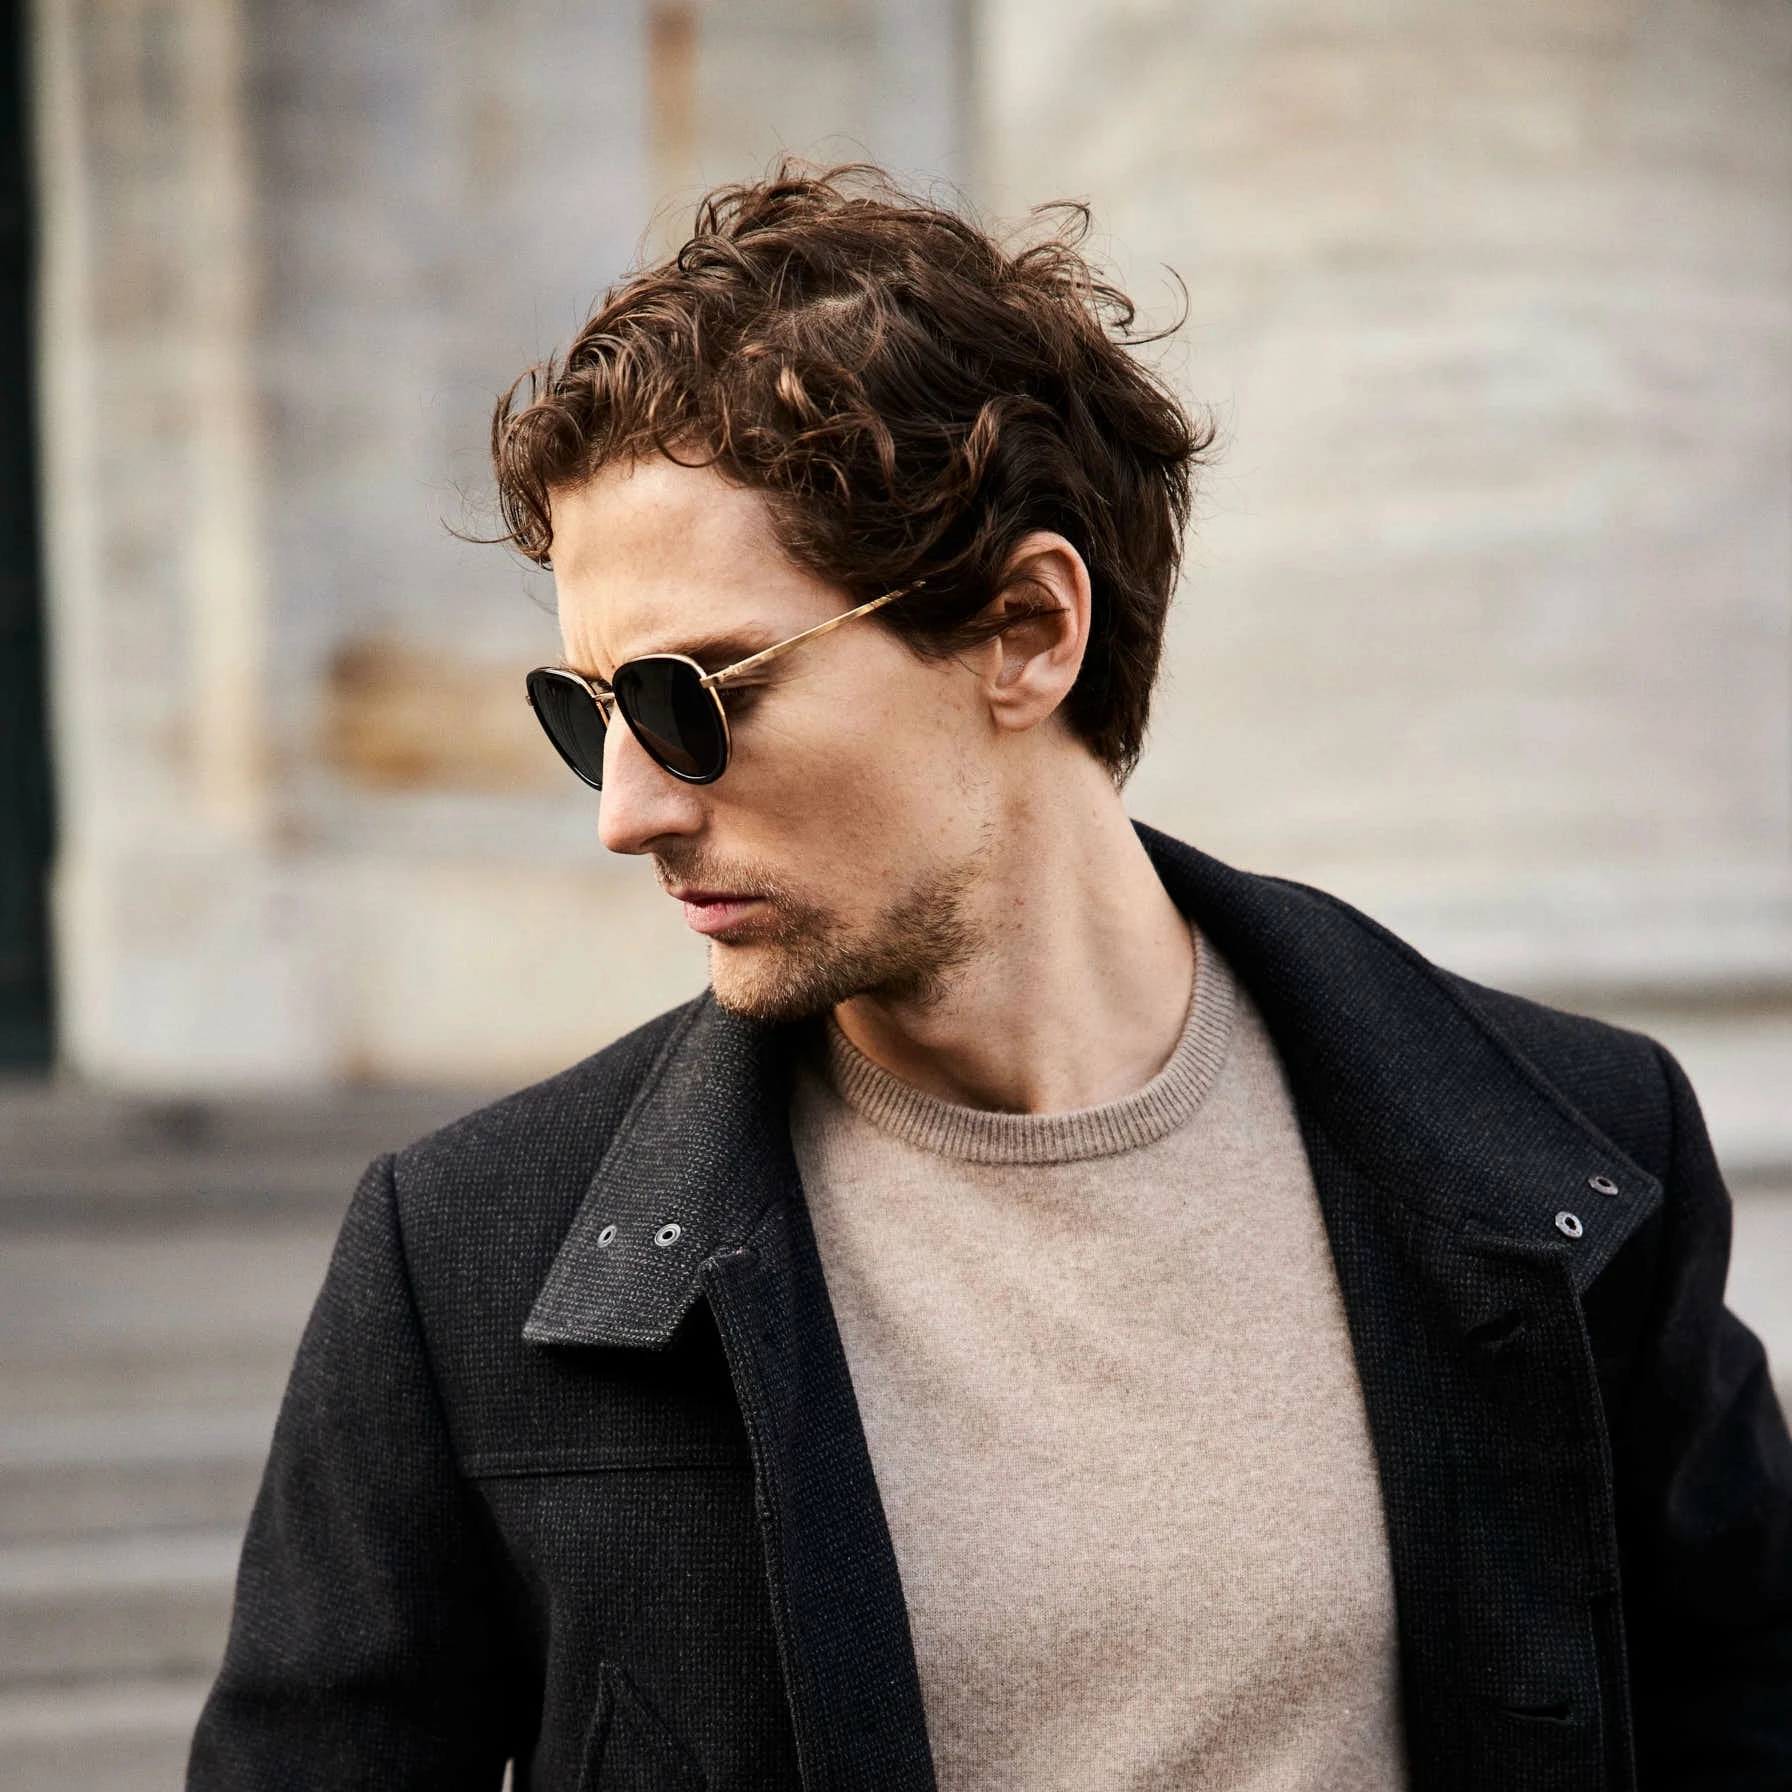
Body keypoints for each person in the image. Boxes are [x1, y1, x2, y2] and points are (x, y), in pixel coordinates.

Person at [189, 164, 1792, 1792]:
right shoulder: (471, 1258)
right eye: (588, 710)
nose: (628, 810)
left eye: (693, 695)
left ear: (1027, 629)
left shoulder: (1572, 1156)